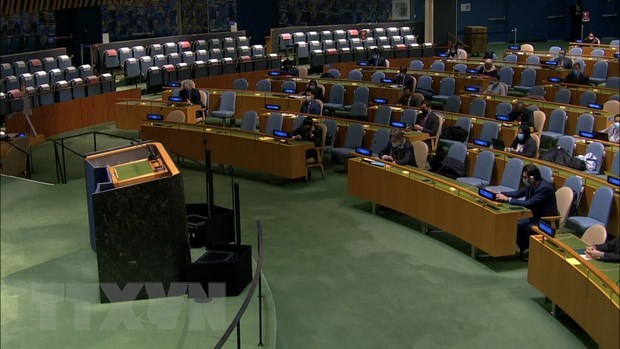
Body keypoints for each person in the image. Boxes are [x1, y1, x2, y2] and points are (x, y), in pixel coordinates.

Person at [495, 165, 559, 260]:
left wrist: (507, 199)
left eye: (525, 177)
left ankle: (527, 250)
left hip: (545, 222)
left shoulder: (545, 188)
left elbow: (529, 203)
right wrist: (499, 193)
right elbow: (517, 193)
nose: (523, 179)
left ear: (532, 178)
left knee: (521, 225)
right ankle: (522, 249)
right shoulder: (532, 185)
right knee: (515, 222)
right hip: (535, 217)